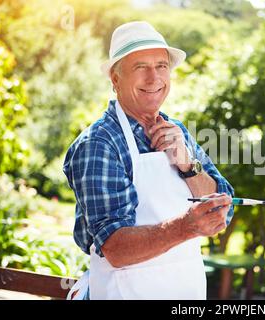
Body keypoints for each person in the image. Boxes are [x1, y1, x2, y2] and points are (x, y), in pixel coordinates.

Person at [63, 21, 234, 300]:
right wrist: (188, 226)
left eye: (161, 66)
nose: (154, 78)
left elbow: (224, 210)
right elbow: (116, 248)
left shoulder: (178, 132)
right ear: (115, 79)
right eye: (140, 67)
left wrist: (189, 166)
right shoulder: (100, 143)